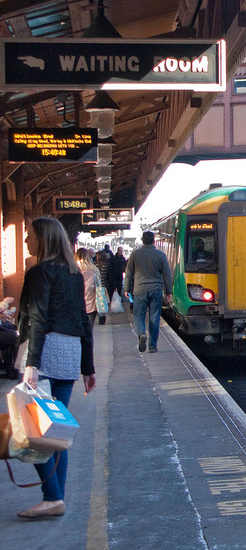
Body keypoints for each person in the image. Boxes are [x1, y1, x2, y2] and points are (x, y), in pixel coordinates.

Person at [17, 216, 95, 519]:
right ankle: (55, 498)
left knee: (34, 431)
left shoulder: (40, 272)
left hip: (46, 352)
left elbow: (37, 318)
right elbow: (82, 320)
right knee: (56, 430)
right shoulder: (73, 273)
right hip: (70, 353)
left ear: (43, 239)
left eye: (30, 236)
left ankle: (52, 497)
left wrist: (31, 363)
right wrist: (88, 367)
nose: (26, 241)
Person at [125, 231, 172, 354]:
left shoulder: (135, 255)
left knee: (138, 315)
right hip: (156, 290)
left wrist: (126, 289)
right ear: (154, 241)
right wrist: (169, 291)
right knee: (154, 318)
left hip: (139, 290)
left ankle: (141, 334)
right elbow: (167, 275)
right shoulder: (160, 255)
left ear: (142, 240)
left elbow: (128, 273)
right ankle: (153, 346)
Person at [75, 248, 99, 329]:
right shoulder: (94, 269)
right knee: (89, 329)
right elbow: (99, 285)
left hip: (77, 304)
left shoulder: (73, 269)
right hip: (92, 303)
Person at [94, 250, 111, 325]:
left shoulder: (94, 265)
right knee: (103, 302)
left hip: (96, 286)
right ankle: (102, 317)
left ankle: (99, 316)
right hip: (104, 287)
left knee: (97, 302)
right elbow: (109, 276)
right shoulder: (107, 265)